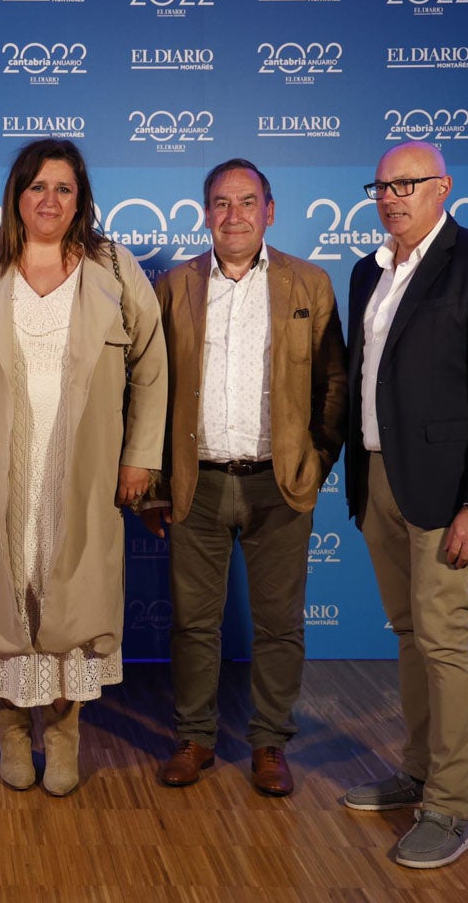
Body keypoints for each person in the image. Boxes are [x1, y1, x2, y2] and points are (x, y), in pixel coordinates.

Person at [0, 138, 167, 796]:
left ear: (81, 198)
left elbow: (152, 367)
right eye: (37, 187)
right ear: (16, 194)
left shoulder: (112, 265)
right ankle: (11, 733)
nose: (49, 200)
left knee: (71, 604)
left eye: (63, 188)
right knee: (2, 602)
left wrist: (140, 457)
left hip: (84, 469)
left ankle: (64, 739)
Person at [343, 142, 468, 869]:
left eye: (407, 184)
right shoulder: (368, 271)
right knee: (407, 631)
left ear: (442, 188)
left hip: (448, 490)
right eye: (381, 185)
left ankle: (450, 809)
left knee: (443, 636)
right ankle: (415, 771)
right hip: (378, 479)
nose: (391, 196)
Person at [141, 158, 347, 797]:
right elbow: (148, 388)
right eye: (222, 204)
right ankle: (195, 737)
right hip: (194, 484)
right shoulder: (174, 286)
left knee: (279, 622)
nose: (235, 215)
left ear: (270, 211)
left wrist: (316, 458)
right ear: (206, 213)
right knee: (193, 622)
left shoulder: (308, 284)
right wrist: (152, 485)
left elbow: (334, 381)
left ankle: (269, 744)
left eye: (247, 202)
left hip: (278, 483)